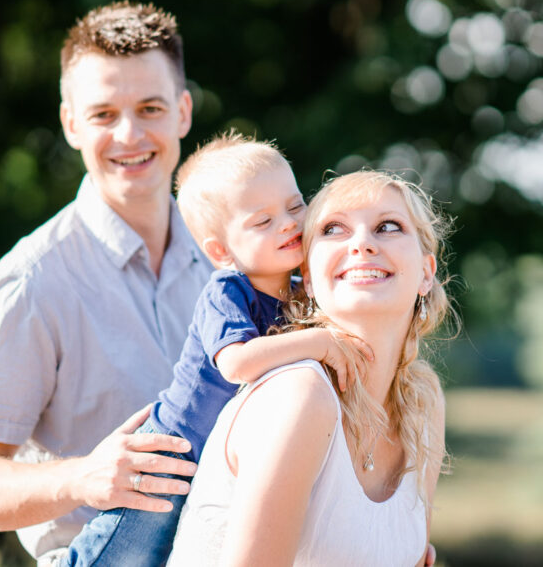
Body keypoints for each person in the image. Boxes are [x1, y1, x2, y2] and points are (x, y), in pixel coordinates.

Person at [0, 1, 212, 566]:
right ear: (70, 124)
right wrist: (84, 479)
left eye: (150, 107)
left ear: (183, 112)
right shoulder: (32, 282)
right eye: (104, 114)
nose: (129, 134)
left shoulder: (229, 256)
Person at [62, 133, 371, 567]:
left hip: (220, 465)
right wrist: (320, 341)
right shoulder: (227, 290)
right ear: (221, 251)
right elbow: (237, 362)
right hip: (171, 451)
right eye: (262, 222)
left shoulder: (307, 292)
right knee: (125, 550)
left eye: (295, 206)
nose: (288, 223)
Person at [168, 170, 457, 566]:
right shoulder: (299, 394)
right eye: (334, 229)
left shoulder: (424, 402)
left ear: (426, 272)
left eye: (387, 226)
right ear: (307, 277)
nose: (361, 244)